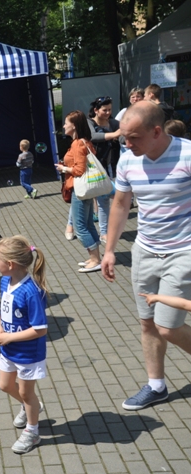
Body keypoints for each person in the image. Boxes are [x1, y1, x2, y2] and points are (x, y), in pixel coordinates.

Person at [103, 100, 191, 411]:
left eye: (133, 138)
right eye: (124, 137)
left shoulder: (187, 154)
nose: (127, 144)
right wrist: (109, 250)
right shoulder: (128, 160)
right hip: (145, 250)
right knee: (148, 323)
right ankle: (156, 386)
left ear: (156, 131)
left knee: (169, 326)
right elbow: (120, 205)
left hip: (183, 251)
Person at [0, 236, 49, 454]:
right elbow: (3, 311)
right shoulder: (5, 281)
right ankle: (32, 406)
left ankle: (32, 432)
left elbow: (40, 329)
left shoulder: (31, 292)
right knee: (5, 385)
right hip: (8, 349)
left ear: (10, 264)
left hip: (27, 353)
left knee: (27, 393)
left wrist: (8, 338)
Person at [55, 111, 102, 273]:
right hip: (85, 189)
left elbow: (79, 170)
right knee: (88, 224)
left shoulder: (78, 144)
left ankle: (95, 260)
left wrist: (63, 168)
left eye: (66, 123)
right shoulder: (83, 142)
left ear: (74, 126)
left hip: (79, 189)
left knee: (80, 227)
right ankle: (95, 257)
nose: (63, 126)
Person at [89, 96, 121, 243]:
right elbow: (92, 136)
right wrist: (114, 135)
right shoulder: (89, 122)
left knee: (104, 200)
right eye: (104, 110)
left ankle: (105, 231)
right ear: (96, 110)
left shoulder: (113, 123)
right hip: (95, 166)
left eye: (110, 110)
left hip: (111, 165)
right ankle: (103, 233)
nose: (108, 113)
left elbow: (123, 137)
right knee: (102, 200)